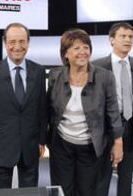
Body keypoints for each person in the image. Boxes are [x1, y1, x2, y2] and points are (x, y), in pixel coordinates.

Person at [47, 28, 123, 196]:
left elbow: (113, 111)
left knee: (86, 191)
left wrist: (118, 143)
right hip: (61, 144)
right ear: (65, 54)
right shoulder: (55, 76)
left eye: (86, 47)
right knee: (61, 191)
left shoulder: (105, 77)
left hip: (90, 146)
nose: (83, 52)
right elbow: (48, 110)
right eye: (76, 48)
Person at [0, 22, 47, 189]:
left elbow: (42, 111)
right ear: (5, 42)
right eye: (12, 42)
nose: (17, 46)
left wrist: (41, 140)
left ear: (28, 43)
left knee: (30, 193)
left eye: (22, 41)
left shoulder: (38, 72)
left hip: (30, 147)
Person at [94, 22, 133, 196]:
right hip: (106, 129)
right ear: (112, 40)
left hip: (132, 127)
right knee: (102, 177)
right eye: (123, 36)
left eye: (130, 37)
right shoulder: (97, 66)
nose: (127, 40)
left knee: (126, 177)